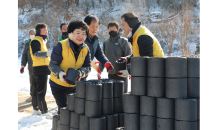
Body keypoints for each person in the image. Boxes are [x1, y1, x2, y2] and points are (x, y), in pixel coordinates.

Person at [48, 20, 91, 115]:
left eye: (84, 33)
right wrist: (60, 73)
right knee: (64, 110)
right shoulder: (61, 46)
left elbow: (88, 67)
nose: (81, 36)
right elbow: (52, 64)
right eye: (78, 33)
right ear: (71, 33)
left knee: (75, 111)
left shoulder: (86, 49)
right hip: (58, 85)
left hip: (75, 85)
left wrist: (80, 73)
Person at [117, 12, 165, 78]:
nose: (122, 28)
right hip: (152, 74)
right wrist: (127, 59)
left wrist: (129, 72)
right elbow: (140, 54)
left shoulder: (143, 37)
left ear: (131, 24)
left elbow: (146, 62)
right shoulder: (137, 34)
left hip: (156, 75)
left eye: (123, 25)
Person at [99, 21, 132, 93]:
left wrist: (129, 71)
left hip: (121, 74)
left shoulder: (124, 41)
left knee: (122, 96)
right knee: (111, 96)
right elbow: (102, 57)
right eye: (110, 29)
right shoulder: (106, 43)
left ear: (118, 29)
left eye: (113, 29)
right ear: (108, 30)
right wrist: (99, 70)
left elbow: (129, 56)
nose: (112, 31)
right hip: (110, 74)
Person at [29, 23, 52, 119]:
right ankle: (44, 111)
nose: (46, 32)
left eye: (47, 30)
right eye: (44, 30)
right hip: (40, 68)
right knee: (41, 90)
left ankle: (36, 109)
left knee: (36, 89)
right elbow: (36, 54)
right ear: (39, 31)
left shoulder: (41, 40)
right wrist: (48, 53)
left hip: (40, 67)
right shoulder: (36, 40)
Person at [84, 14, 114, 80]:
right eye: (93, 26)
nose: (95, 29)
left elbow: (99, 53)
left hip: (85, 71)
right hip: (76, 70)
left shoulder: (96, 39)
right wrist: (91, 62)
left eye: (97, 27)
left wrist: (106, 62)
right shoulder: (80, 38)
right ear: (86, 26)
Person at [20, 29, 36, 102]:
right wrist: (23, 65)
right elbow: (24, 55)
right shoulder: (27, 44)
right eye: (31, 34)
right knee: (32, 82)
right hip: (31, 67)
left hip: (39, 67)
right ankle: (32, 96)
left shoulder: (39, 42)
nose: (32, 35)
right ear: (28, 35)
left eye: (34, 33)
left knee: (40, 82)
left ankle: (40, 97)